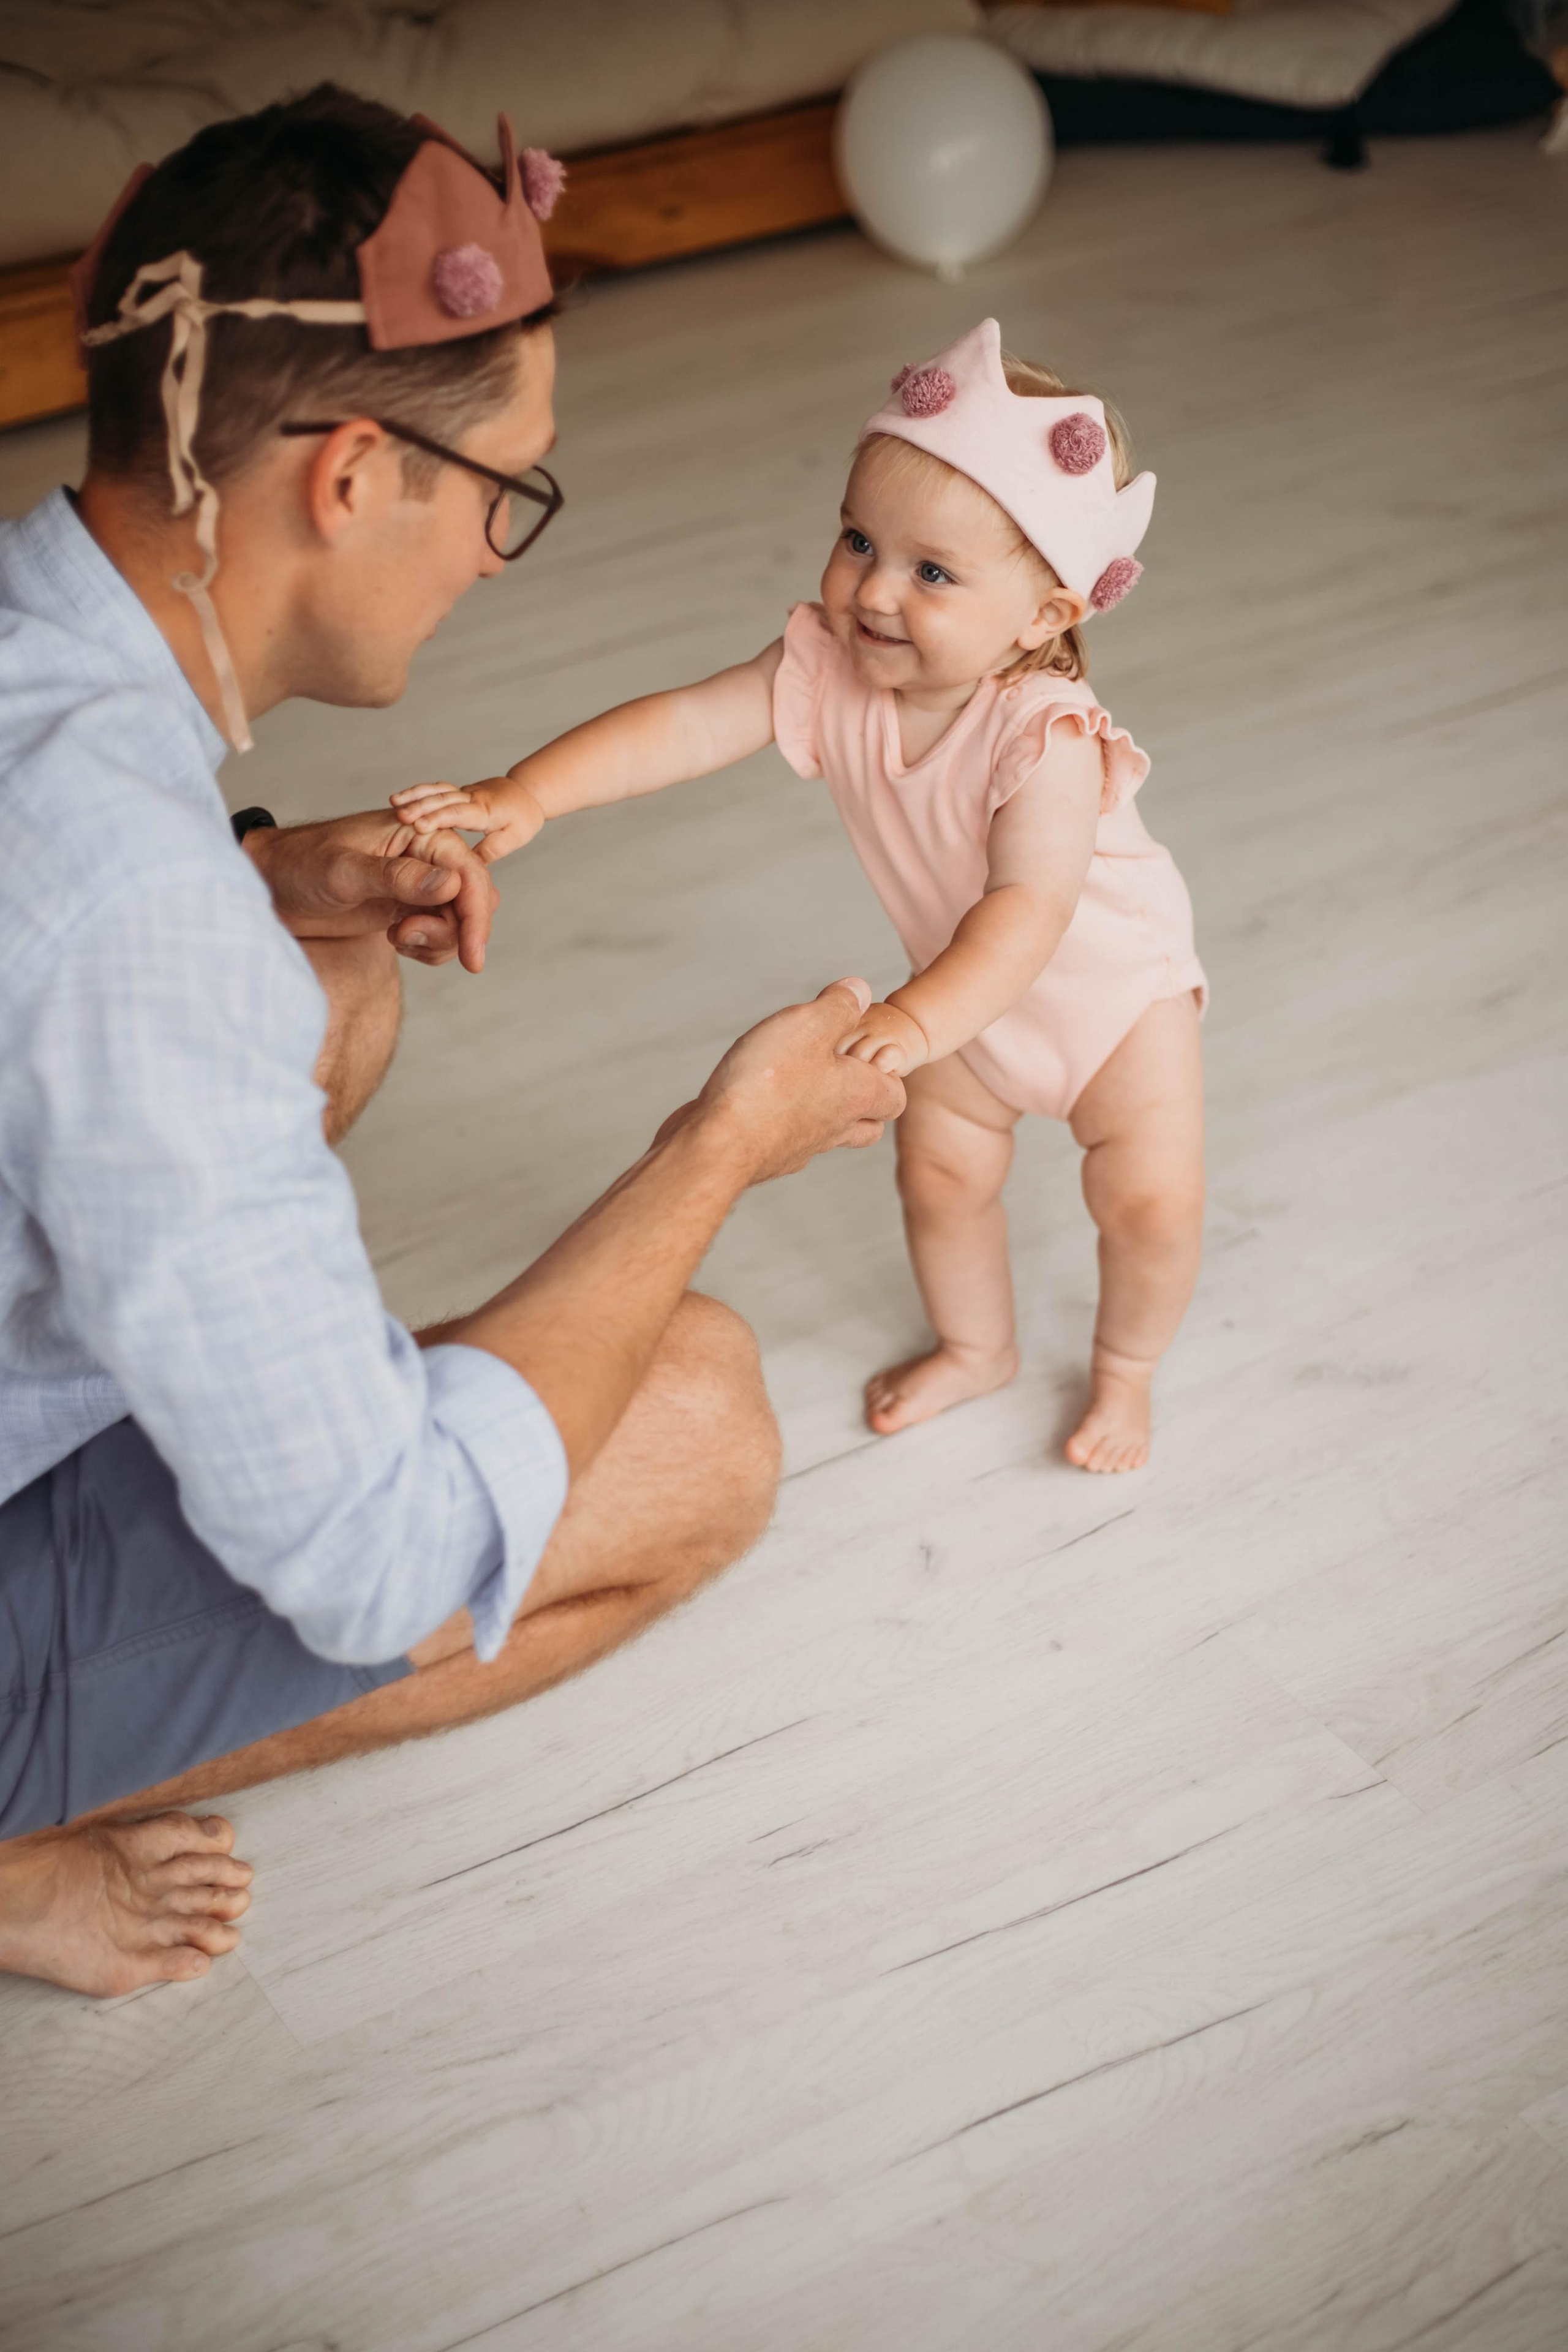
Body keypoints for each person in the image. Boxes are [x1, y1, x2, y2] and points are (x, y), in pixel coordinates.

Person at [0, 86, 902, 1999]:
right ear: (349, 479)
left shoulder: (58, 712)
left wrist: (266, 879)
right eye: (511, 490)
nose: (503, 548)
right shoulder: (139, 925)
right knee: (699, 1430)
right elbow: (383, 1557)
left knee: (330, 982)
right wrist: (714, 1148)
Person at [395, 318, 1207, 1477]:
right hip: (957, 1004)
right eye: (858, 539)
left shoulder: (1046, 736)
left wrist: (922, 1022)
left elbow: (1028, 911)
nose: (873, 590)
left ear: (1044, 619)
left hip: (1112, 1008)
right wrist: (531, 794)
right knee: (938, 1180)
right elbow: (685, 722)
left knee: (1151, 1207)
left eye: (932, 572)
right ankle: (976, 1346)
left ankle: (1124, 1373)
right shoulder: (831, 666)